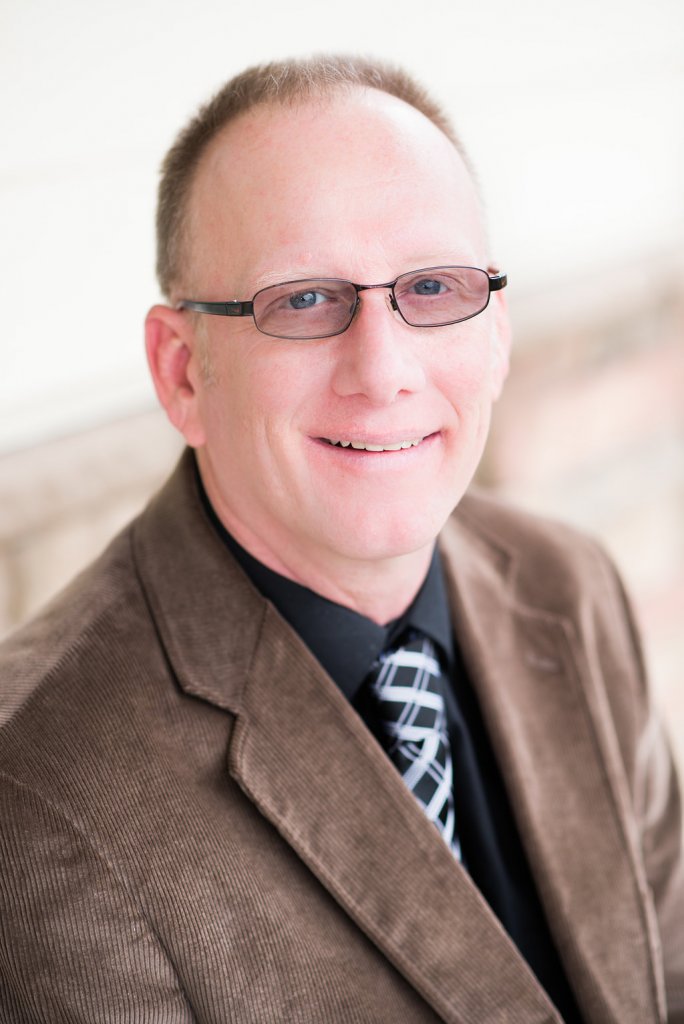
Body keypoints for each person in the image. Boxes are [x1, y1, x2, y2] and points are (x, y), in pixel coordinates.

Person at [0, 56, 682, 1024]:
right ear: (183, 371)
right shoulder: (39, 793)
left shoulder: (566, 584)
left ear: (496, 335)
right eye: (304, 300)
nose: (383, 369)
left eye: (434, 286)